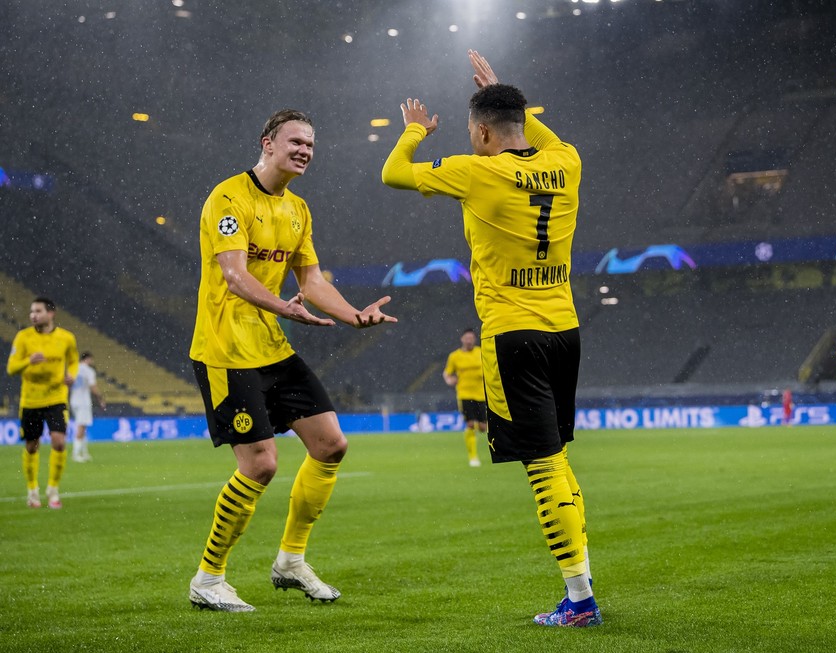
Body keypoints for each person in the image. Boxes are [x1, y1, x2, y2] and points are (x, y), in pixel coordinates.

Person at [382, 50, 600, 627]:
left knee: (541, 465)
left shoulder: (476, 170)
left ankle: (580, 601)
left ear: (480, 132)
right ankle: (581, 585)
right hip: (564, 329)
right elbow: (539, 138)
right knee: (557, 460)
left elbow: (393, 173)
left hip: (512, 334)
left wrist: (411, 132)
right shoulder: (568, 162)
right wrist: (506, 92)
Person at [188, 108, 397, 613]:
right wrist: (283, 307)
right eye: (295, 141)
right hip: (224, 349)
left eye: (310, 145)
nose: (304, 150)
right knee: (260, 465)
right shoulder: (229, 197)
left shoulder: (299, 210)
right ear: (268, 143)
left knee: (330, 445)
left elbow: (312, 283)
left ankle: (290, 561)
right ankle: (208, 578)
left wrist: (353, 316)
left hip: (270, 346)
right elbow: (234, 276)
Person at [6, 297, 79, 509]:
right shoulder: (23, 338)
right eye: (31, 312)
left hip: (56, 398)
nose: (33, 315)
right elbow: (11, 368)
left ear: (51, 313)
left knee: (59, 442)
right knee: (31, 446)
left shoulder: (66, 338)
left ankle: (53, 490)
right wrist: (28, 361)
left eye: (37, 311)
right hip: (30, 400)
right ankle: (32, 490)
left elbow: (73, 361)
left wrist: (71, 375)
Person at [442, 328, 487, 467]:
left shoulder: (481, 352)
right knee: (470, 424)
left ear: (474, 339)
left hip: (482, 395)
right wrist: (449, 380)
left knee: (483, 427)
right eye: (466, 338)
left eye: (471, 338)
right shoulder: (454, 356)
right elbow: (447, 373)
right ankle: (473, 457)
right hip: (464, 394)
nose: (469, 340)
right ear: (462, 339)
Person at [70, 351, 105, 462]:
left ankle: (84, 453)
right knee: (81, 427)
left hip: (74, 400)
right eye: (91, 360)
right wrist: (100, 398)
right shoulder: (88, 371)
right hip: (83, 402)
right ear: (88, 359)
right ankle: (75, 454)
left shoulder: (74, 368)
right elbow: (93, 386)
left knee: (83, 427)